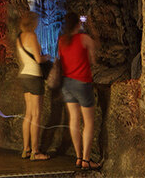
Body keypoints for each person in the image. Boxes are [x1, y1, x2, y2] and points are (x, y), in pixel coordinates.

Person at [58, 11, 100, 170]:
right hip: (82, 82)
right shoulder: (84, 39)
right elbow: (93, 60)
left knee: (74, 119)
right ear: (78, 23)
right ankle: (86, 160)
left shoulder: (61, 40)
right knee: (88, 122)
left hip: (66, 84)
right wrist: (93, 32)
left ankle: (78, 157)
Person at [17, 11, 50, 161]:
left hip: (23, 76)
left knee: (28, 114)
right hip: (34, 76)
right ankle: (36, 152)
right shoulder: (32, 36)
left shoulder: (19, 38)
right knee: (36, 115)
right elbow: (38, 59)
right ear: (33, 23)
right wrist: (48, 57)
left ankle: (26, 150)